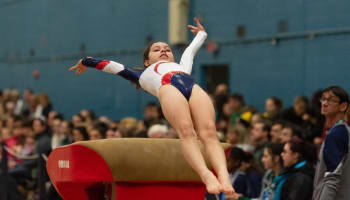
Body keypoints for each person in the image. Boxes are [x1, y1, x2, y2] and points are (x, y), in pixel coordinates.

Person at [68, 17, 234, 195]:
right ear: (146, 61)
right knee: (187, 132)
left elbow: (190, 51)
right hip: (167, 87)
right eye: (157, 49)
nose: (163, 50)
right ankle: (206, 174)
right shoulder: (141, 75)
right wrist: (86, 61)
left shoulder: (181, 66)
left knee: (209, 132)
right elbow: (113, 66)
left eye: (167, 49)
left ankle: (224, 176)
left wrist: (202, 34)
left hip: (191, 86)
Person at [313, 86, 350, 200]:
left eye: (330, 100)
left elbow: (332, 178)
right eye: (323, 99)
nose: (324, 103)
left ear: (343, 106)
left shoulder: (336, 134)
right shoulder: (343, 130)